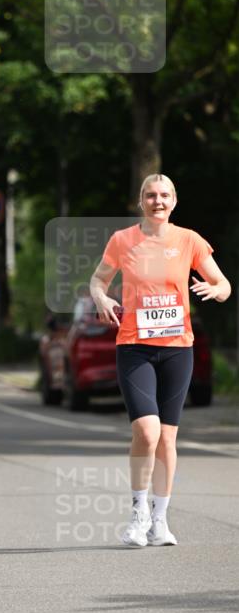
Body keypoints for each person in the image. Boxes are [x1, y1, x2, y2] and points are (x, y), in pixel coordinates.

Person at [90, 173, 231, 548]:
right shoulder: (123, 241)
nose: (158, 201)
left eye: (164, 195)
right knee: (147, 431)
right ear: (141, 201)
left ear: (174, 201)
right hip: (134, 346)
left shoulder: (189, 240)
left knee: (168, 437)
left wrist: (214, 289)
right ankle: (138, 514)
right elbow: (98, 280)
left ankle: (160, 521)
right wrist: (102, 299)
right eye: (151, 195)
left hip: (177, 348)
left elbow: (224, 285)